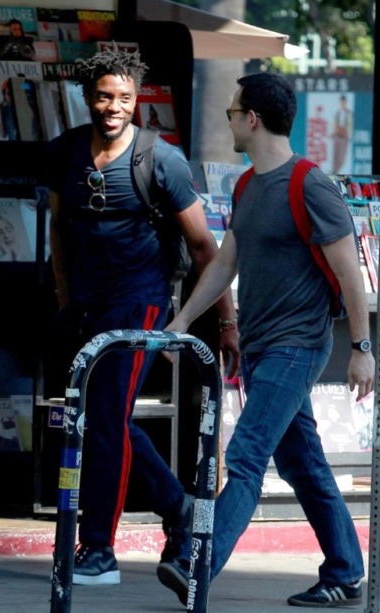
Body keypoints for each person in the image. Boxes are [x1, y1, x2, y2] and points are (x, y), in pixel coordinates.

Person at [163, 72, 375, 608]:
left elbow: (351, 275)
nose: (229, 119)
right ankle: (346, 571)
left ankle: (196, 563)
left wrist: (361, 348)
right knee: (302, 463)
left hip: (297, 345)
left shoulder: (311, 185)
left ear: (252, 118)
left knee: (249, 453)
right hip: (260, 348)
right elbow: (225, 262)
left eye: (233, 112)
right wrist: (184, 320)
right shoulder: (247, 184)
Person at [44, 47, 239, 589]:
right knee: (104, 418)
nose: (114, 107)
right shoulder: (66, 152)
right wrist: (64, 295)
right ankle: (177, 510)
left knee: (105, 420)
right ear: (88, 98)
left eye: (125, 99)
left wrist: (226, 323)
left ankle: (99, 551)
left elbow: (205, 247)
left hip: (141, 304)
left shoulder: (162, 159)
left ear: (137, 102)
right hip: (85, 303)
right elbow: (59, 228)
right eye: (105, 96)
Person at [331, 94, 353, 174]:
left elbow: (349, 126)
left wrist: (346, 134)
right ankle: (334, 171)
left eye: (343, 102)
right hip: (337, 137)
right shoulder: (337, 113)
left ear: (345, 103)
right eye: (341, 102)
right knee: (335, 155)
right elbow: (334, 125)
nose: (342, 103)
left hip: (344, 138)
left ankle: (336, 171)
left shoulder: (349, 113)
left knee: (342, 157)